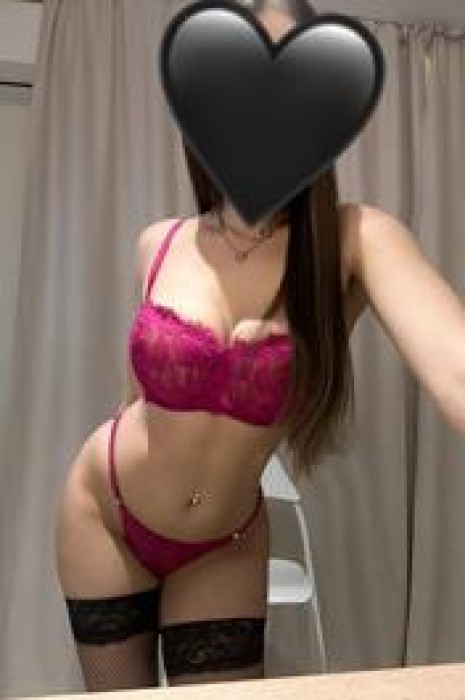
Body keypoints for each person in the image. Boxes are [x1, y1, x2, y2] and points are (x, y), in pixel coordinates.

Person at [54, 0, 465, 692]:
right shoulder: (160, 243)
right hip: (107, 512)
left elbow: (456, 371)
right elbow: (138, 400)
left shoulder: (356, 239)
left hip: (225, 544)